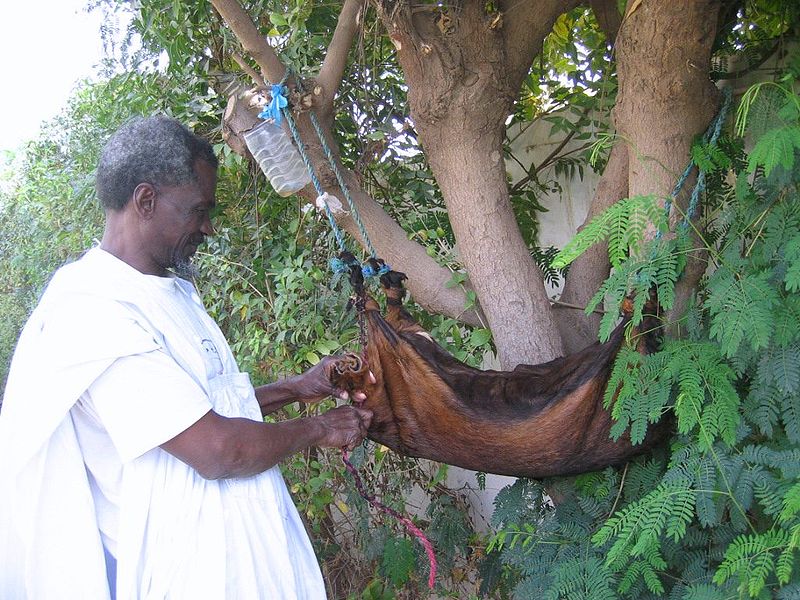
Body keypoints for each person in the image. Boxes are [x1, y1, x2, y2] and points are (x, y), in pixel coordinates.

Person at [0, 116, 373, 599]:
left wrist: (299, 388)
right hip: (190, 575)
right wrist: (321, 428)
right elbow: (217, 449)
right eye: (198, 211)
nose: (208, 228)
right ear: (146, 200)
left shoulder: (168, 293)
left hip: (239, 558)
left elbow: (194, 411)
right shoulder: (92, 310)